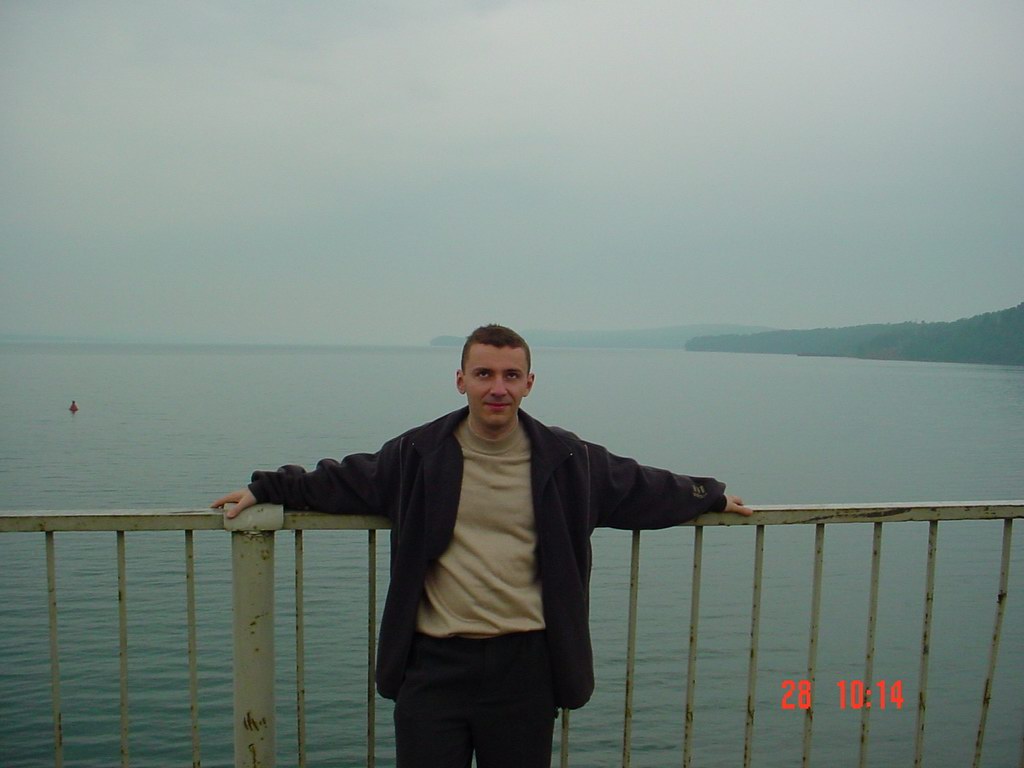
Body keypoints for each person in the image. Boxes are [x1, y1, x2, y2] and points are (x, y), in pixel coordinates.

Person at [212, 324, 751, 768]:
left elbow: (640, 486)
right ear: (461, 380)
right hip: (433, 665)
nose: (498, 388)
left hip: (526, 667)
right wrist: (267, 488)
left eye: (511, 375)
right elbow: (344, 479)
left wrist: (707, 496)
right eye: (484, 374)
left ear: (529, 384)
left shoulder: (568, 459)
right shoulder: (418, 453)